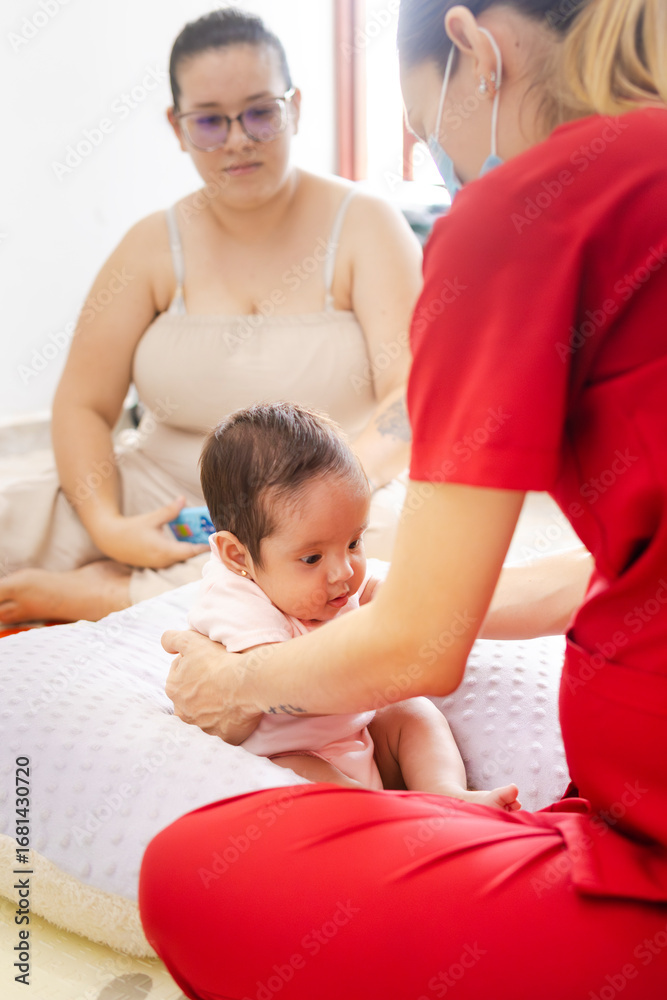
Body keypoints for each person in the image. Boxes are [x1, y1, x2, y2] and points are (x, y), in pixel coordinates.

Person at [139, 1, 667, 997]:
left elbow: (421, 655)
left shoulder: (520, 214)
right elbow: (616, 569)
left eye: (430, 134)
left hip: (644, 849)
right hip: (618, 805)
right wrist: (406, 588)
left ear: (473, 49)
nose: (448, 168)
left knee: (183, 872)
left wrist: (235, 685)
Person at [0, 7, 422, 626]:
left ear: (295, 108)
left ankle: (111, 596)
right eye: (209, 121)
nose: (238, 139)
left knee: (392, 549)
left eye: (260, 112)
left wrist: (316, 501)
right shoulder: (150, 244)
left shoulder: (367, 224)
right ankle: (145, 576)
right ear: (177, 127)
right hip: (165, 491)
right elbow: (84, 404)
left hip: (327, 501)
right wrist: (110, 526)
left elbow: (410, 398)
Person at [190, 401, 521, 807]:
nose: (343, 571)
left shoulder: (334, 577)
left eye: (353, 542)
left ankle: (447, 795)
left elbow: (387, 594)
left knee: (411, 713)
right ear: (238, 556)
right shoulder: (233, 597)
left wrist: (400, 599)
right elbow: (280, 679)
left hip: (357, 736)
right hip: (291, 754)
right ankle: (384, 816)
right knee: (298, 769)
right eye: (312, 558)